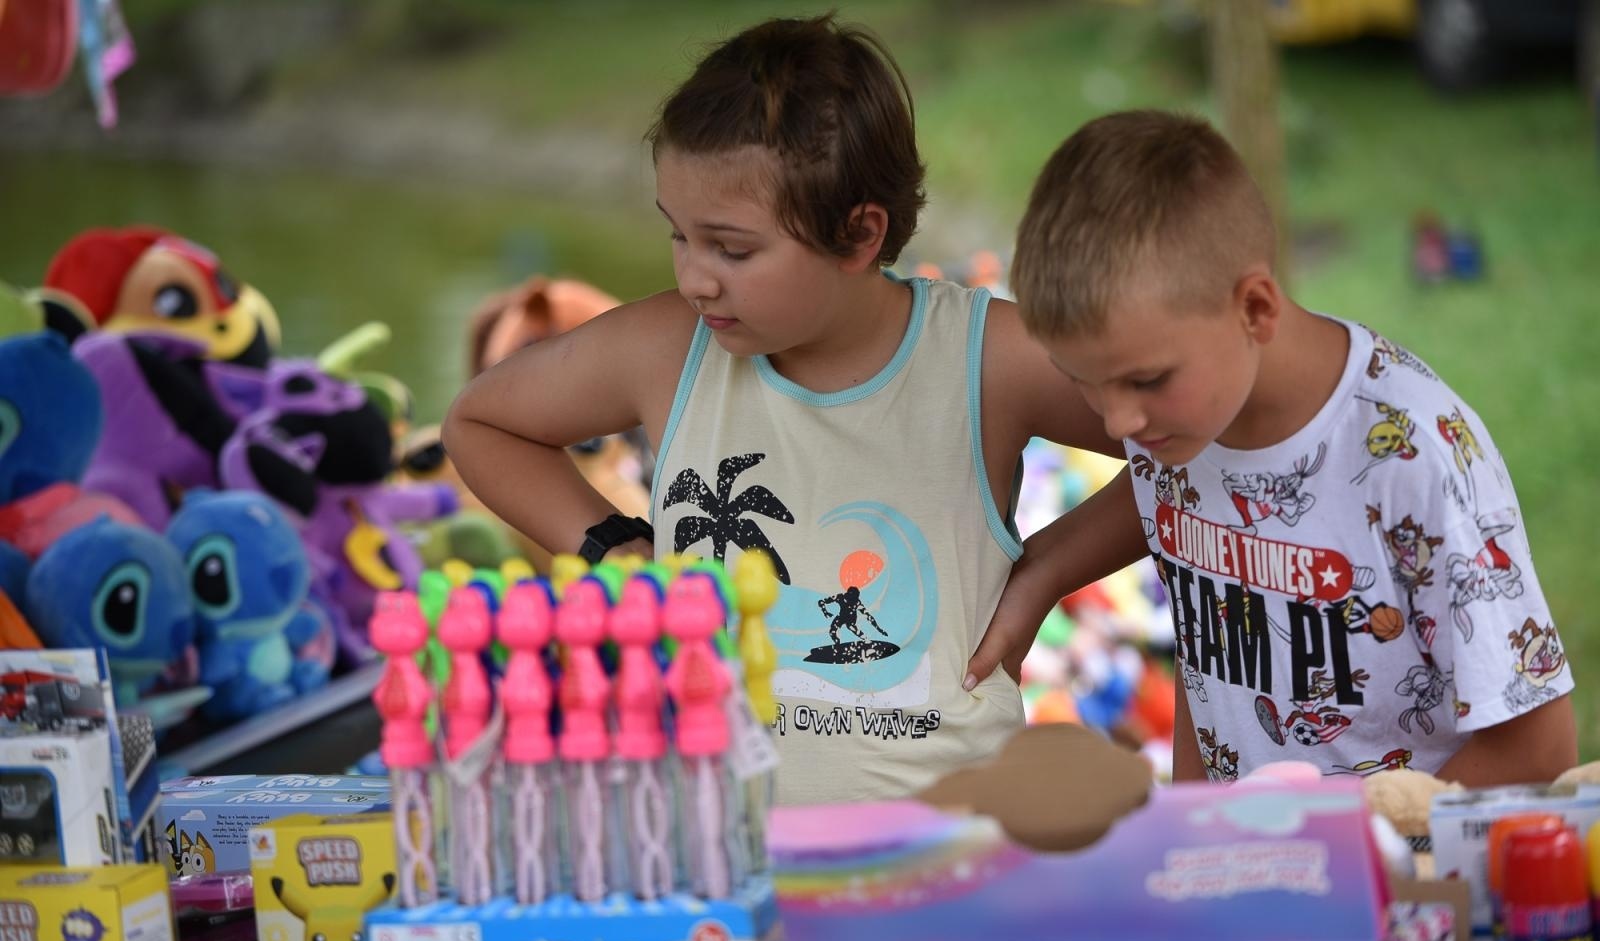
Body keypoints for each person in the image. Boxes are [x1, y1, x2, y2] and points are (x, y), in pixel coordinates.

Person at [443, 14, 1142, 804]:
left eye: (732, 250)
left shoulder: (986, 360)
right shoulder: (666, 350)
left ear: (858, 235)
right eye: (679, 237)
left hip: (942, 860)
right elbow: (480, 423)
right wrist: (621, 550)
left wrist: (1048, 569)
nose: (695, 279)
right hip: (717, 863)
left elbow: (1204, 451)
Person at [1008, 109, 1576, 787]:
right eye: (1085, 384)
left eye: (1147, 380)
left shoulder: (1412, 455)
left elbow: (1537, 747)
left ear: (1255, 309)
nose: (1116, 422)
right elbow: (1211, 662)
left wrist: (1344, 847)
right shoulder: (1177, 428)